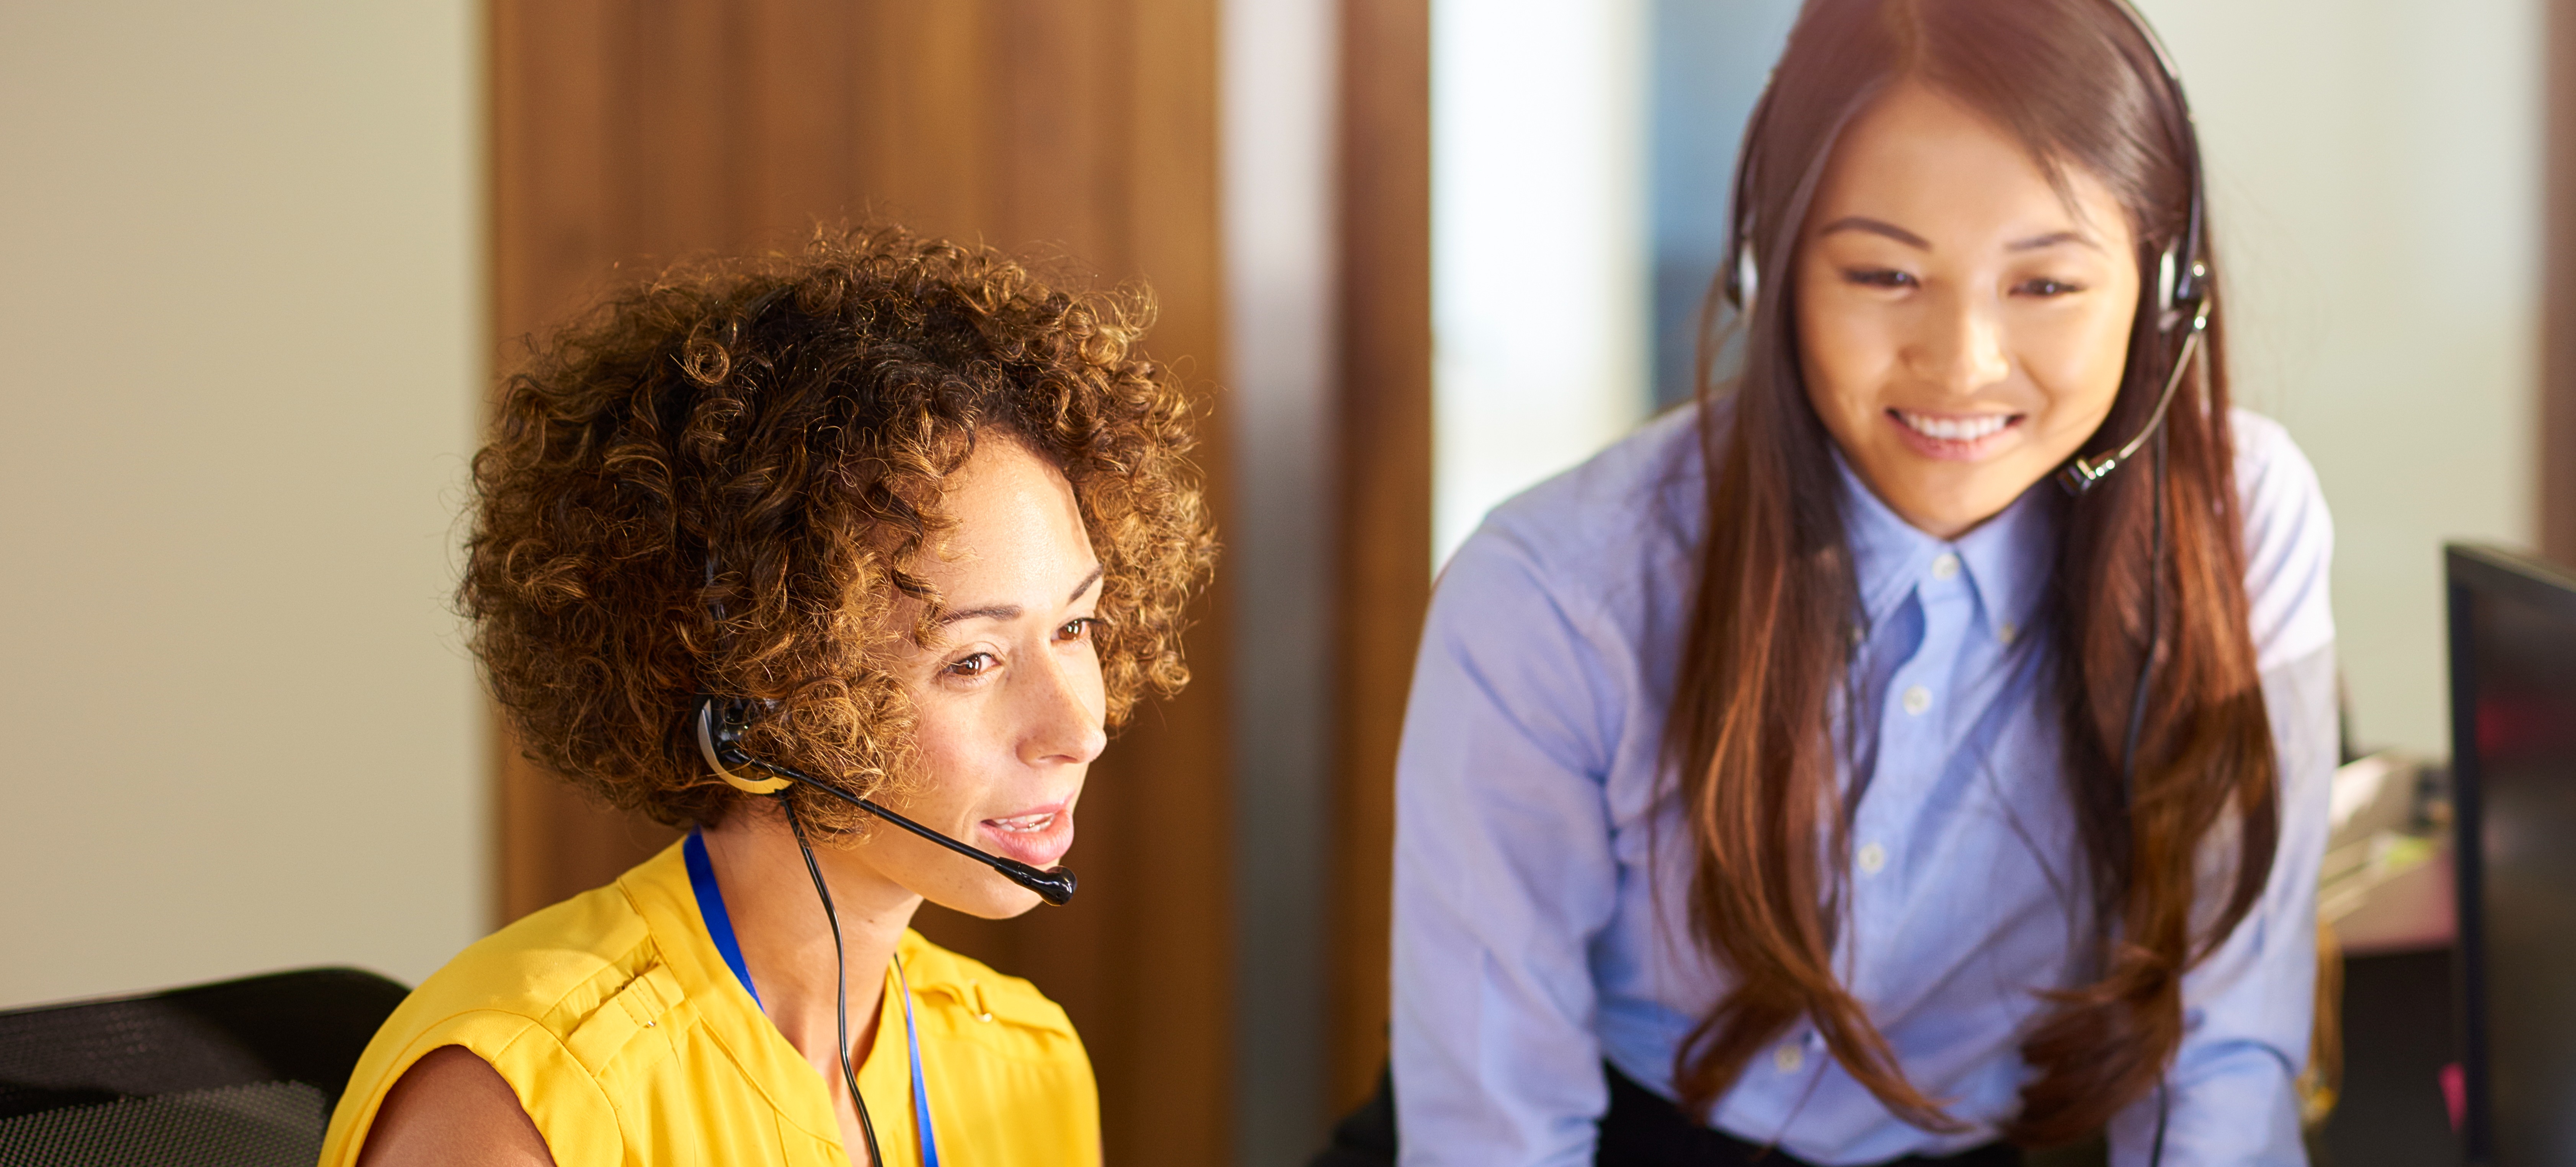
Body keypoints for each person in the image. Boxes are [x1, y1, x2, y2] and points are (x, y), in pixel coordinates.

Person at [1389, 0, 2335, 1164]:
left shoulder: (2238, 525)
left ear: (2165, 288)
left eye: (2044, 287)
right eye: (1884, 273)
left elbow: (2222, 1063)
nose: (1962, 365)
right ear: (1771, 272)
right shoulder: (1550, 596)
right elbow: (1496, 1135)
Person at [321, 227, 1215, 1167]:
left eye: (1074, 627)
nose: (1079, 730)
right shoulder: (532, 1100)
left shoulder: (1022, 1063)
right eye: (973, 661)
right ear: (765, 690)